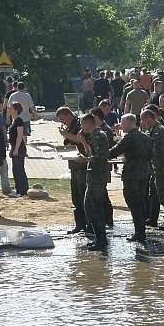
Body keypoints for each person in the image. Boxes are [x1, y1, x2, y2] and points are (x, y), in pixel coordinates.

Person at [108, 114, 153, 243]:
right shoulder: (145, 137)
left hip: (132, 174)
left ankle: (139, 232)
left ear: (129, 123)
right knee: (141, 201)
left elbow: (114, 152)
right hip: (144, 173)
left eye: (122, 123)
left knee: (133, 202)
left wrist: (98, 155)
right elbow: (151, 154)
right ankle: (141, 229)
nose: (121, 126)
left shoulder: (128, 137)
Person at [75, 114, 110, 250]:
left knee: (91, 207)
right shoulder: (94, 136)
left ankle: (101, 240)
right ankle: (99, 238)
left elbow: (100, 157)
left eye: (82, 124)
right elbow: (91, 153)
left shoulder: (99, 135)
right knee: (93, 207)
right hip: (94, 176)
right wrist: (83, 142)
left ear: (88, 123)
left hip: (98, 176)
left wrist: (85, 160)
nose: (81, 127)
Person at [141, 108, 164, 232]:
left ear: (149, 118)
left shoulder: (159, 131)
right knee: (154, 194)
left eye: (143, 120)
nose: (143, 123)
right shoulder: (152, 130)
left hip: (162, 168)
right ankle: (152, 218)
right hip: (155, 167)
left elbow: (157, 151)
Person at [56, 106, 88, 234]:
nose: (63, 122)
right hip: (73, 164)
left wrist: (65, 134)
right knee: (76, 196)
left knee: (82, 194)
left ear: (69, 114)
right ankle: (79, 224)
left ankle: (87, 224)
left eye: (63, 119)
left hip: (81, 164)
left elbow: (80, 140)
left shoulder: (80, 123)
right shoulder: (70, 125)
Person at [8, 101, 29, 196]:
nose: (9, 110)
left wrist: (16, 149)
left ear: (16, 110)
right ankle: (18, 189)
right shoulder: (13, 120)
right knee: (15, 169)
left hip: (19, 147)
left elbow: (20, 135)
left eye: (11, 108)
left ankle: (22, 190)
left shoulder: (19, 120)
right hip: (14, 146)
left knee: (19, 169)